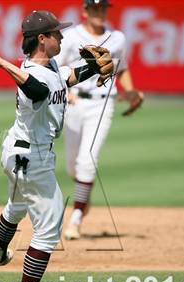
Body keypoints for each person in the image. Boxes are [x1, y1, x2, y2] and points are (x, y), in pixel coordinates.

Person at [0, 10, 113, 282]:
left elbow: (69, 77)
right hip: (31, 158)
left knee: (17, 206)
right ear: (42, 39)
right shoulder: (32, 76)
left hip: (17, 152)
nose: (62, 36)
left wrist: (95, 66)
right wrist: (0, 63)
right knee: (50, 226)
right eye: (56, 33)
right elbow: (36, 88)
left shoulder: (48, 66)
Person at [55, 0, 144, 240]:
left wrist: (131, 92)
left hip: (102, 103)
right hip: (74, 103)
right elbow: (56, 67)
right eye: (95, 8)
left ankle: (75, 219)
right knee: (73, 166)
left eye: (103, 8)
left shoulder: (117, 38)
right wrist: (66, 91)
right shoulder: (71, 36)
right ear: (85, 11)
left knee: (87, 161)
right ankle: (84, 196)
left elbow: (121, 69)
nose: (100, 12)